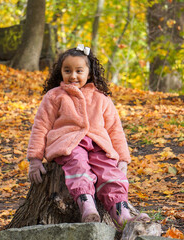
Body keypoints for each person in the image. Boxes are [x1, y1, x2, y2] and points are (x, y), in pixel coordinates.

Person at [27, 44, 150, 231]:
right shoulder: (54, 96)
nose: (73, 75)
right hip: (68, 144)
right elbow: (40, 126)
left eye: (79, 71)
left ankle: (123, 215)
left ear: (90, 73)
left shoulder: (102, 99)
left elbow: (115, 129)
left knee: (109, 172)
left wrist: (123, 158)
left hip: (99, 145)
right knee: (78, 163)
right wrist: (35, 159)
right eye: (67, 70)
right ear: (60, 72)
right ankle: (87, 207)